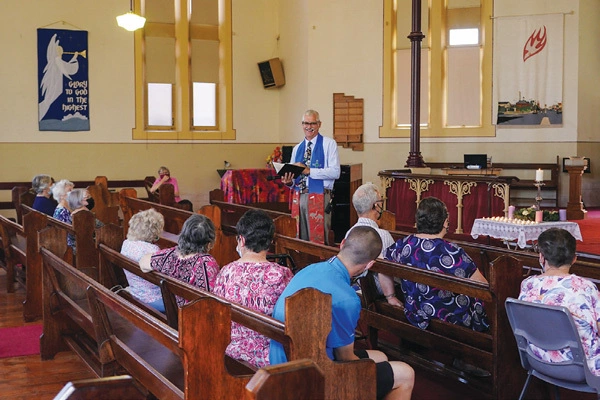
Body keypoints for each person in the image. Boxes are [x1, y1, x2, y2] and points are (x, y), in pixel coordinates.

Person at [269, 226, 414, 400]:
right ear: (370, 264)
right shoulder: (348, 299)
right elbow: (345, 358)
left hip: (283, 365)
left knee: (381, 357)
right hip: (315, 378)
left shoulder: (309, 269)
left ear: (343, 244)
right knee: (406, 373)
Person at [385, 197, 489, 332]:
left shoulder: (404, 244)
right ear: (445, 222)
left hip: (414, 312)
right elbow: (484, 286)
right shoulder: (452, 252)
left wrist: (390, 296)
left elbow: (382, 263)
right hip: (447, 318)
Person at [213, 209, 293, 368]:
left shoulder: (226, 271)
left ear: (241, 240)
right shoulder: (281, 274)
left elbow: (217, 312)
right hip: (268, 355)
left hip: (230, 348)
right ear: (270, 242)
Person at [519, 228, 600, 375]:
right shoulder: (587, 288)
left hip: (537, 359)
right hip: (581, 368)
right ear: (574, 258)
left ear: (541, 257)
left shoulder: (527, 285)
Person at [281, 109, 340, 245]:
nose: (309, 127)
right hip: (299, 197)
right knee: (300, 238)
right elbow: (294, 177)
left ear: (319, 124)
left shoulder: (329, 144)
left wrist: (310, 171)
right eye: (306, 123)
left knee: (318, 240)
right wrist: (289, 182)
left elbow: (335, 172)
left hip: (319, 196)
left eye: (312, 123)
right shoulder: (297, 149)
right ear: (302, 125)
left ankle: (319, 264)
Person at [139, 214, 219, 305]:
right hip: (193, 315)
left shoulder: (169, 255)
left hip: (173, 311)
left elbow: (142, 264)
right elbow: (211, 300)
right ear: (209, 244)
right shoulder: (206, 263)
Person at [345, 183, 401, 307]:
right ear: (376, 206)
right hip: (377, 292)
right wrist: (391, 296)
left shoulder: (350, 233)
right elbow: (391, 269)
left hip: (355, 285)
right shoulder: (382, 235)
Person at [120, 208, 166, 312]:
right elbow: (165, 276)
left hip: (136, 291)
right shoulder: (152, 250)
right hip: (154, 299)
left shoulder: (127, 243)